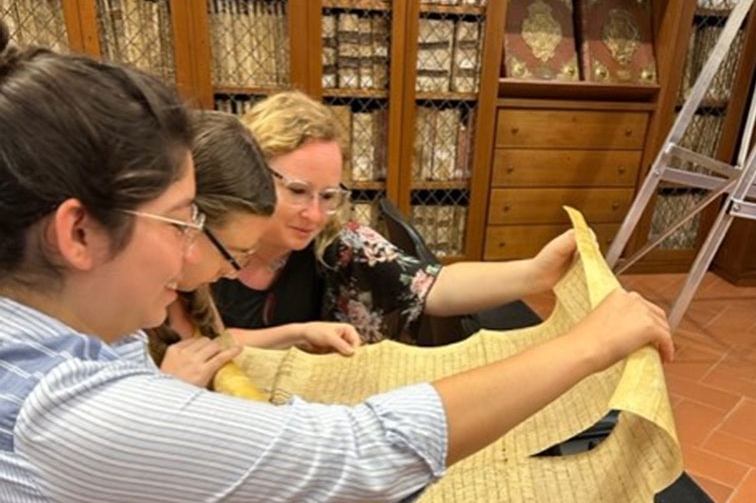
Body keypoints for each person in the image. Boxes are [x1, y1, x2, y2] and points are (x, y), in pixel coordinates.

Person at [0, 25, 673, 503]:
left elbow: (424, 285)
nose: (190, 256)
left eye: (328, 195)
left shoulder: (72, 325)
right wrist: (588, 346)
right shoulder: (62, 411)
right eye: (182, 222)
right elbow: (355, 455)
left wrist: (534, 275)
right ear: (78, 233)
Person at [211, 92, 588, 343]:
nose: (314, 214)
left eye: (328, 195)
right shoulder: (202, 241)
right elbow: (194, 347)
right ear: (252, 172)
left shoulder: (336, 240)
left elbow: (432, 286)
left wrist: (536, 273)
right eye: (296, 191)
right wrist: (299, 333)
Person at [150, 110, 361, 388]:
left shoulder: (191, 293)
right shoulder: (132, 306)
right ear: (187, 223)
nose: (231, 272)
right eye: (232, 253)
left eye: (329, 196)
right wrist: (169, 390)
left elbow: (220, 343)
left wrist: (300, 333)